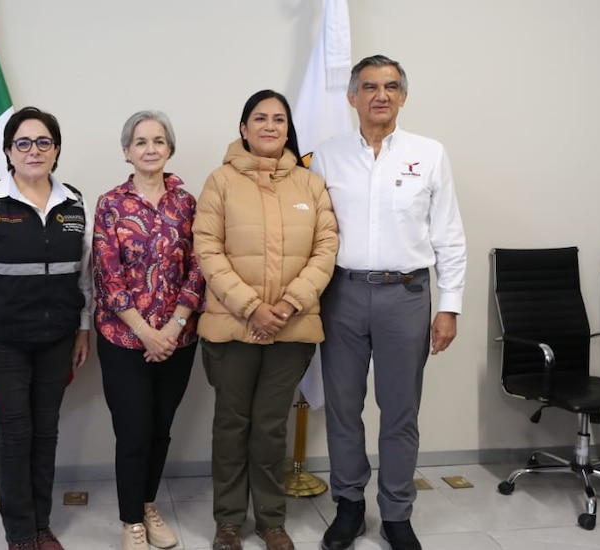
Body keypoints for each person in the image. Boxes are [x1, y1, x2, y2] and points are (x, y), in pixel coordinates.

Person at [311, 55, 467, 550]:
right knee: (343, 408)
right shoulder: (326, 156)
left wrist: (449, 306)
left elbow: (449, 235)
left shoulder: (430, 153)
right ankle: (349, 506)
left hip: (406, 295)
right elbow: (312, 231)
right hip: (342, 295)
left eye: (391, 86)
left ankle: (397, 513)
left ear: (403, 96)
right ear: (352, 96)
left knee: (400, 411)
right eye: (370, 86)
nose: (381, 95)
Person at [193, 90, 338, 550]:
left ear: (288, 129)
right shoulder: (219, 182)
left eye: (279, 119)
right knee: (231, 426)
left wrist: (289, 304)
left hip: (291, 331)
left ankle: (272, 521)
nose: (270, 126)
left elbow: (326, 249)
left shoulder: (310, 185)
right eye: (260, 118)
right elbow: (207, 249)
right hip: (231, 327)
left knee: (271, 428)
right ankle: (228, 523)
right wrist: (251, 306)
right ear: (243, 128)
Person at [0, 106, 92, 550]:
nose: (34, 151)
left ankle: (41, 524)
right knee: (15, 433)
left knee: (46, 432)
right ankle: (20, 533)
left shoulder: (74, 203)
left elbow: (84, 276)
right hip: (4, 340)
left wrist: (83, 328)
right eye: (23, 143)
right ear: (9, 151)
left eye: (43, 142)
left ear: (57, 150)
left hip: (58, 338)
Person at [93, 110, 205, 550]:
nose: (150, 148)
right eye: (140, 142)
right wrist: (146, 333)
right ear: (127, 151)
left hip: (179, 338)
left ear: (170, 148)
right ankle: (131, 522)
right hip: (124, 340)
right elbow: (108, 275)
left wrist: (173, 328)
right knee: (134, 431)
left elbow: (198, 267)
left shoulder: (187, 203)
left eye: (158, 140)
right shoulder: (110, 204)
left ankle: (147, 504)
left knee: (161, 428)